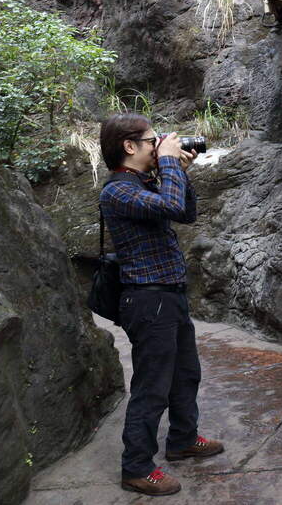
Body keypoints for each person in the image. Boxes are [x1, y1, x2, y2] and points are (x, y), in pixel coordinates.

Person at [99, 113, 223, 496]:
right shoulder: (117, 190)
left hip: (169, 295)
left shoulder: (144, 183)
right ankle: (136, 467)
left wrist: (179, 170)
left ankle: (183, 439)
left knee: (186, 374)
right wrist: (168, 162)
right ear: (129, 146)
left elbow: (185, 212)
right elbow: (169, 205)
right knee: (152, 386)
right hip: (147, 299)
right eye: (153, 141)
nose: (159, 146)